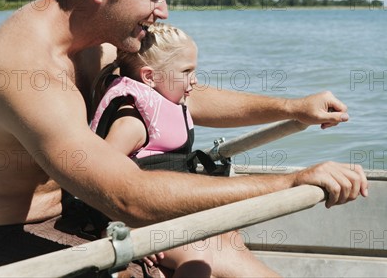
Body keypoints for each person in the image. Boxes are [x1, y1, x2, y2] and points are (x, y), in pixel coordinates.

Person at [0, 0, 368, 277]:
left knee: (218, 244)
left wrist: (291, 108)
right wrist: (290, 182)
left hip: (65, 215)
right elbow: (127, 196)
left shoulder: (97, 41)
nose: (163, 11)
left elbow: (170, 97)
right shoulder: (27, 72)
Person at [83, 22, 279, 277]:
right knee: (196, 255)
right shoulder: (133, 122)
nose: (195, 80)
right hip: (140, 219)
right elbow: (96, 176)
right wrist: (123, 228)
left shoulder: (169, 105)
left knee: (229, 232)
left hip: (166, 210)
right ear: (149, 77)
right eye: (186, 71)